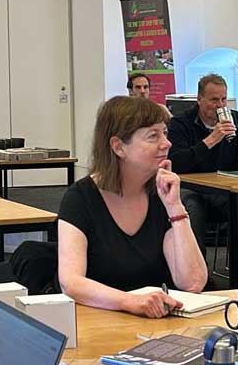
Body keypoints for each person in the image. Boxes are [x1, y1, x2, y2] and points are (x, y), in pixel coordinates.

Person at [57, 96, 207, 318]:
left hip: (153, 324)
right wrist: (130, 301)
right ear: (118, 146)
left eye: (164, 133)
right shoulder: (80, 197)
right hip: (100, 322)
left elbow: (192, 283)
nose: (167, 143)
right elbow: (71, 282)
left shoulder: (160, 196)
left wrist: (175, 208)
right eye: (153, 136)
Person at [167, 73, 238, 258]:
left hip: (223, 187)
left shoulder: (236, 120)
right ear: (199, 100)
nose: (220, 105)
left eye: (223, 99)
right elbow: (176, 162)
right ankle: (198, 271)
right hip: (191, 187)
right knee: (192, 207)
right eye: (214, 100)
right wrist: (211, 140)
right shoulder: (180, 123)